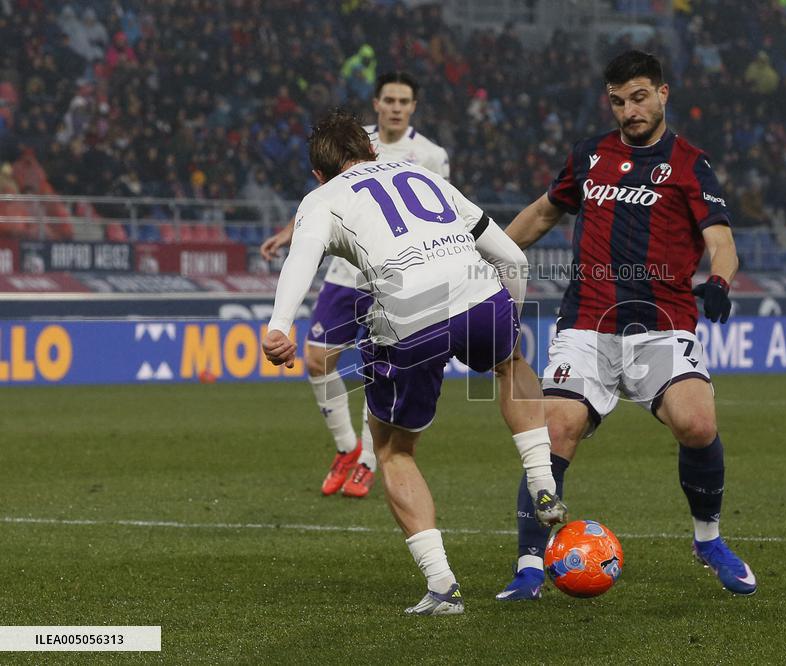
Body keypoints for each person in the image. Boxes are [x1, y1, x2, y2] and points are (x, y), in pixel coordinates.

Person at [262, 110, 567, 615]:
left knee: (394, 450)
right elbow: (512, 257)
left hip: (408, 309)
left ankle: (443, 586)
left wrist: (279, 325)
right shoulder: (423, 175)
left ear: (318, 173)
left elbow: (301, 258)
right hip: (479, 290)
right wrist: (507, 319)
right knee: (511, 366)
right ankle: (542, 480)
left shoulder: (321, 198)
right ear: (373, 151)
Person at [495, 50, 757, 600]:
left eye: (638, 98)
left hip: (660, 324)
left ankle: (708, 540)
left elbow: (721, 241)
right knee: (556, 428)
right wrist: (486, 252)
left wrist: (721, 282)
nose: (629, 111)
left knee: (697, 422)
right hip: (587, 321)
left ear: (663, 94)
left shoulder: (689, 164)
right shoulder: (589, 155)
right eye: (618, 101)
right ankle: (528, 564)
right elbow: (544, 212)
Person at [260, 72, 450, 499]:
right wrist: (291, 231)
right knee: (315, 359)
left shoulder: (431, 155)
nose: (397, 107)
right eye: (390, 100)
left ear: (414, 107)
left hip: (394, 278)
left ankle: (367, 460)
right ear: (377, 103)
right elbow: (326, 197)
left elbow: (441, 208)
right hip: (345, 275)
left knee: (374, 370)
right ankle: (346, 447)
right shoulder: (353, 141)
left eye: (405, 100)